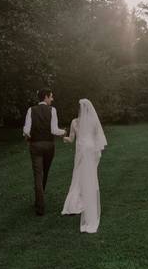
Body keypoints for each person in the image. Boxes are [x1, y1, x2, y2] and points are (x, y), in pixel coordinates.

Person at [61, 98, 107, 233]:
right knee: (90, 177)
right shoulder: (93, 122)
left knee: (78, 176)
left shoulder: (74, 122)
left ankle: (74, 203)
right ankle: (85, 199)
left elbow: (71, 139)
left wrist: (64, 137)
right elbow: (98, 138)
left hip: (81, 151)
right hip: (91, 150)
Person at [23, 88, 65, 215]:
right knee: (44, 173)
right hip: (48, 146)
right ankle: (40, 200)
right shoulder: (52, 110)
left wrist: (27, 136)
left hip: (35, 145)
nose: (52, 99)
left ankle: (39, 205)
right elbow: (54, 130)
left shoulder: (31, 110)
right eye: (51, 96)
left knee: (38, 175)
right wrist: (64, 131)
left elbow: (26, 130)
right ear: (45, 97)